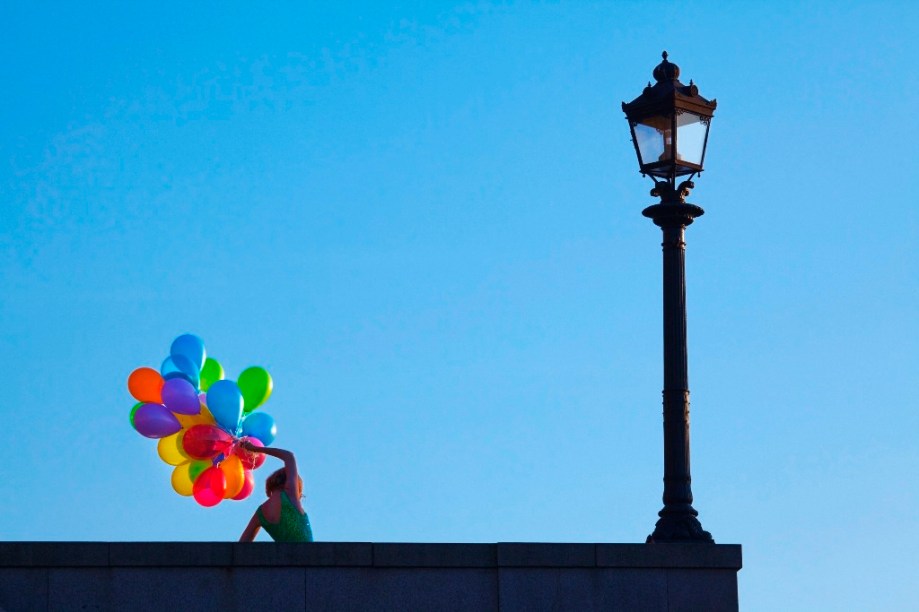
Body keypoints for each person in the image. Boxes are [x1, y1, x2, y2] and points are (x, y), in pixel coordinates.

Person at [238, 441, 314, 542]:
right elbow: (289, 456)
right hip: (309, 556)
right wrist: (255, 449)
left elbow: (243, 542)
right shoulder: (290, 494)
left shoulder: (261, 513)